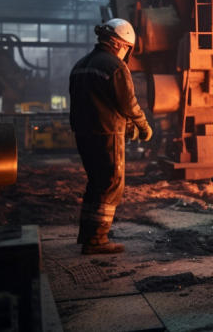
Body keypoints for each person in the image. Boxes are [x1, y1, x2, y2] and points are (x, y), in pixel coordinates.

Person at [69, 18, 152, 255]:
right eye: (127, 48)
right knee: (111, 183)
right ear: (119, 44)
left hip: (83, 132)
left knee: (96, 181)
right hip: (107, 134)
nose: (126, 53)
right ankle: (97, 240)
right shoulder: (115, 66)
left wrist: (125, 126)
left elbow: (96, 102)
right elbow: (128, 103)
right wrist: (142, 125)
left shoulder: (80, 65)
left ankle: (87, 234)